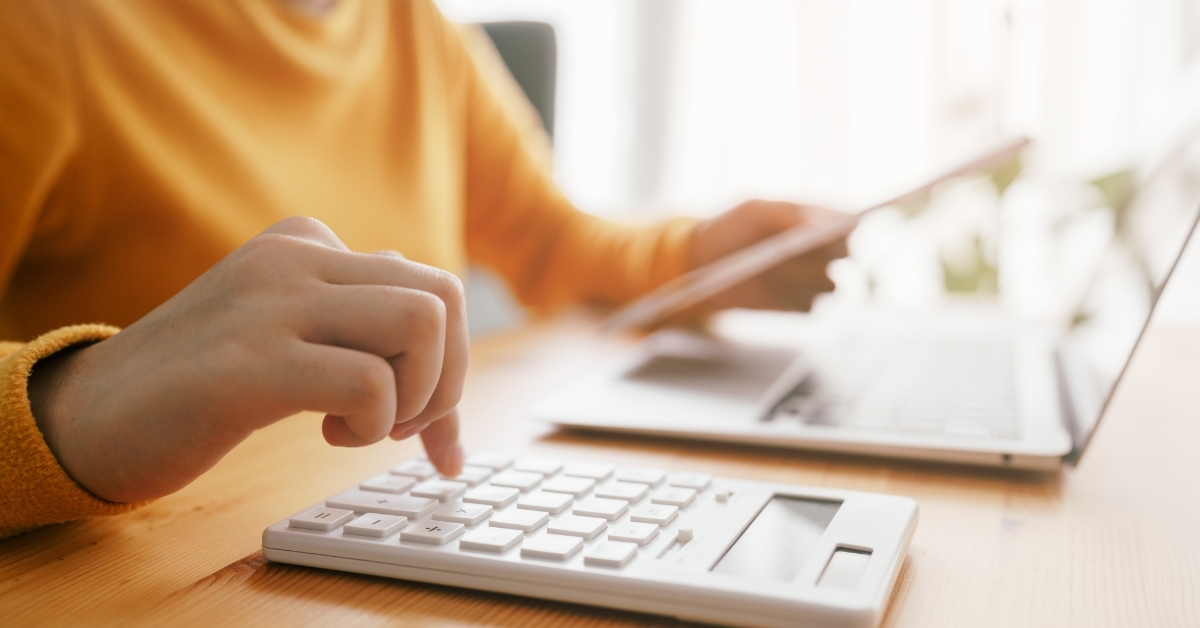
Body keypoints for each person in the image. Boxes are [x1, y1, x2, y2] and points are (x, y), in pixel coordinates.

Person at [0, 0, 847, 539]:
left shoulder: (414, 28)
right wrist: (71, 406)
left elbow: (555, 246)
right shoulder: (44, 28)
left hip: (384, 531)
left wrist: (700, 257)